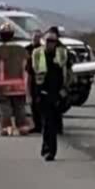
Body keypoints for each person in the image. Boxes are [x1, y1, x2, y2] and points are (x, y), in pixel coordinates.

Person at [0, 22, 33, 137]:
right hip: (20, 85)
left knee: (4, 108)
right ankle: (23, 127)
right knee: (20, 107)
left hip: (3, 86)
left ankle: (7, 128)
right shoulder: (22, 50)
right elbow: (29, 66)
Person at [32, 27, 72, 161]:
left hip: (57, 93)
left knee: (51, 123)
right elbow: (30, 74)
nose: (50, 43)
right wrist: (29, 94)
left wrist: (65, 90)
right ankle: (47, 148)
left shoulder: (63, 54)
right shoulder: (37, 53)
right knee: (46, 123)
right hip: (41, 93)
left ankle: (50, 150)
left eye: (53, 41)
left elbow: (69, 74)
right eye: (48, 40)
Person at [25, 30, 44, 134]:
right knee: (33, 104)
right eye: (34, 36)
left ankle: (42, 124)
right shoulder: (27, 49)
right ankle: (36, 125)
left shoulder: (42, 49)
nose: (35, 38)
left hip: (40, 76)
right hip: (30, 74)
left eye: (38, 37)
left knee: (40, 103)